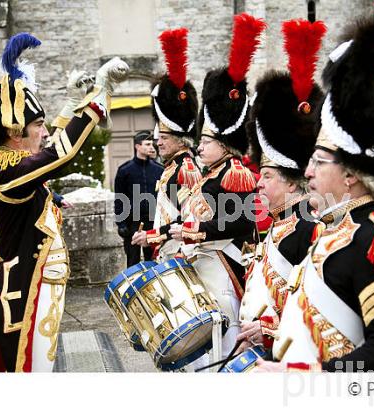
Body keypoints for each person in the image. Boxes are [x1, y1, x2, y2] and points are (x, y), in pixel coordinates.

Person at [255, 0, 374, 372]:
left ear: (350, 174)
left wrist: (321, 376)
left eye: (319, 162)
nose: (308, 171)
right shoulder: (334, 231)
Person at [0, 33, 129, 372]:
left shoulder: (10, 164)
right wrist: (98, 96)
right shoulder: (3, 171)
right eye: (37, 125)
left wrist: (71, 105)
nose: (43, 131)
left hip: (32, 288)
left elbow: (45, 151)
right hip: (22, 295)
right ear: (16, 132)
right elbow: (58, 155)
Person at [166, 13, 266, 362]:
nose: (200, 147)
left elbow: (241, 222)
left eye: (206, 141)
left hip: (225, 261)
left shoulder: (234, 174)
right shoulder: (209, 174)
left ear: (225, 144)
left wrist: (195, 232)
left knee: (225, 333)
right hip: (204, 261)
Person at [235, 18, 325, 354]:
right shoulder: (280, 223)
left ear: (291, 184)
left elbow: (313, 309)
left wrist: (270, 330)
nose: (258, 183)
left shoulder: (308, 230)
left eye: (267, 176)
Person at [131, 28, 202, 259]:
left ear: (179, 139)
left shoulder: (186, 170)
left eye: (163, 137)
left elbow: (187, 217)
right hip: (168, 251)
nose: (157, 143)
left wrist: (152, 235)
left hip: (180, 252)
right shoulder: (173, 166)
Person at [114, 130, 163, 266]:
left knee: (153, 260)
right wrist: (121, 223)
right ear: (137, 146)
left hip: (153, 221)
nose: (151, 147)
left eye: (152, 144)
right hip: (132, 222)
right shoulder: (124, 170)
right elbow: (119, 198)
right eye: (147, 144)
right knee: (132, 260)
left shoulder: (159, 170)